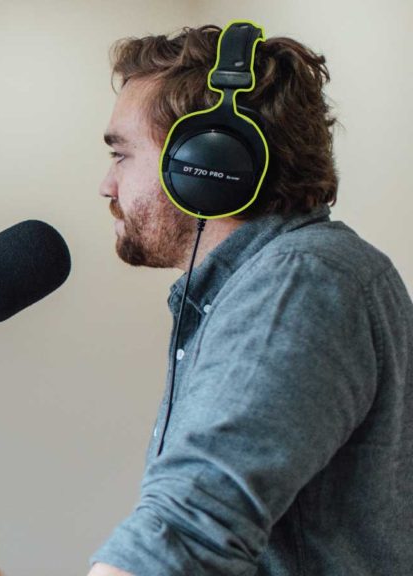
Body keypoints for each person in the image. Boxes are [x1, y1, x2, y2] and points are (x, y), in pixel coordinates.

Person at [88, 23, 412, 576]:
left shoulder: (302, 280)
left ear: (208, 165)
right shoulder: (274, 280)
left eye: (122, 155)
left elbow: (188, 528)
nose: (106, 185)